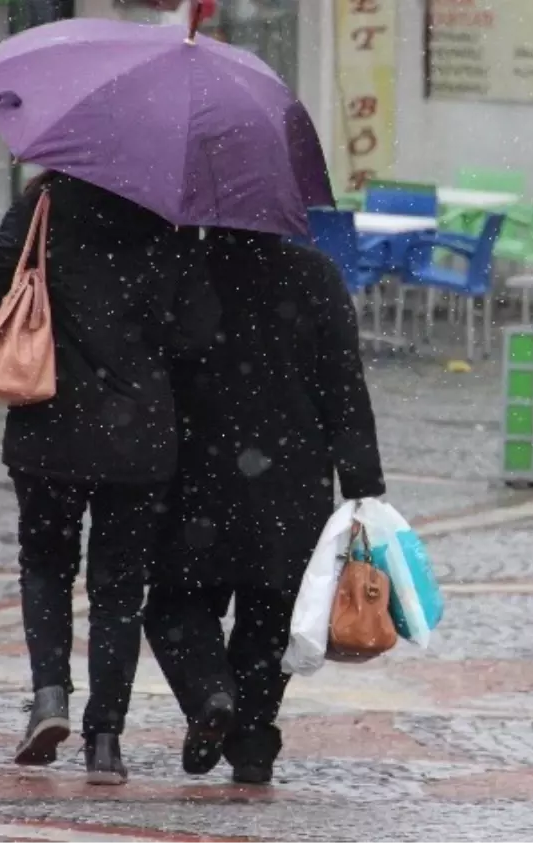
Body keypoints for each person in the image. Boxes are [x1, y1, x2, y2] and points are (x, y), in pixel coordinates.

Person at [0, 172, 215, 784]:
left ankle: (50, 694)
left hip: (50, 416)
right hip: (139, 434)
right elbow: (194, 333)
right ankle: (105, 738)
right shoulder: (168, 215)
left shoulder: (50, 196)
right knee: (119, 589)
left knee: (46, 562)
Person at [144, 227, 385, 785]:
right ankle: (251, 739)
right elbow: (344, 384)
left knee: (176, 602)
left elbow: (150, 370)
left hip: (194, 471)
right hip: (290, 479)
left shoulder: (182, 270)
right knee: (271, 614)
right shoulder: (314, 275)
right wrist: (360, 480)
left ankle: (210, 694)